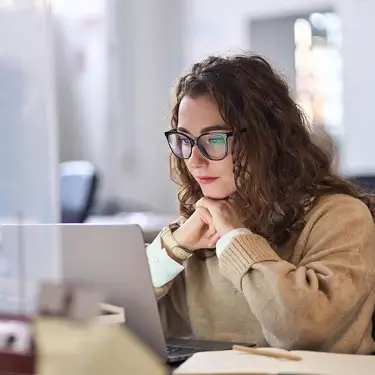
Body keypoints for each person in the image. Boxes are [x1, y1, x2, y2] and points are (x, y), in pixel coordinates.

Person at [146, 54, 375, 354]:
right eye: (185, 139)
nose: (194, 159)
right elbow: (117, 315)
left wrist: (235, 239)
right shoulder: (198, 226)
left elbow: (303, 333)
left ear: (266, 140)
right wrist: (175, 246)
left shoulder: (341, 217)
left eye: (214, 139)